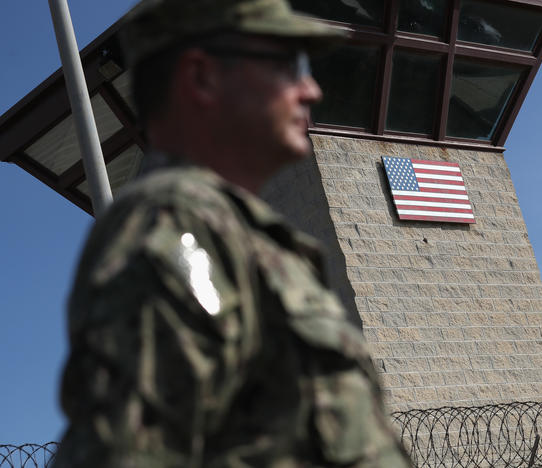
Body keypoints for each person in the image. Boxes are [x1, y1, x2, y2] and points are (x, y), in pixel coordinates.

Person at [50, 0, 412, 467]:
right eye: (287, 65)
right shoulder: (175, 227)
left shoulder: (247, 239)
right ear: (202, 77)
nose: (311, 90)